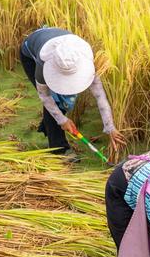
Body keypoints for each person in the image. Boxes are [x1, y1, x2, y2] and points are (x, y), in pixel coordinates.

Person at [19, 27, 126, 159]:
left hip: (56, 39)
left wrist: (110, 127)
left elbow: (100, 96)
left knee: (60, 104)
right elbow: (45, 96)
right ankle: (59, 149)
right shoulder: (43, 64)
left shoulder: (84, 57)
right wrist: (62, 120)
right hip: (30, 51)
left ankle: (49, 127)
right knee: (56, 101)